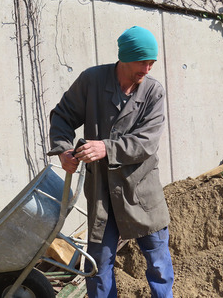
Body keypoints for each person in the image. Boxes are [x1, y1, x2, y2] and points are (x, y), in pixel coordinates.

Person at [48, 26, 174, 298]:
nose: (148, 69)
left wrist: (106, 148)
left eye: (152, 62)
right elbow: (62, 116)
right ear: (125, 58)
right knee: (99, 265)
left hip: (141, 190)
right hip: (102, 192)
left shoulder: (153, 92)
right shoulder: (92, 81)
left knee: (158, 263)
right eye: (143, 62)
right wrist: (63, 150)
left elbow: (147, 142)